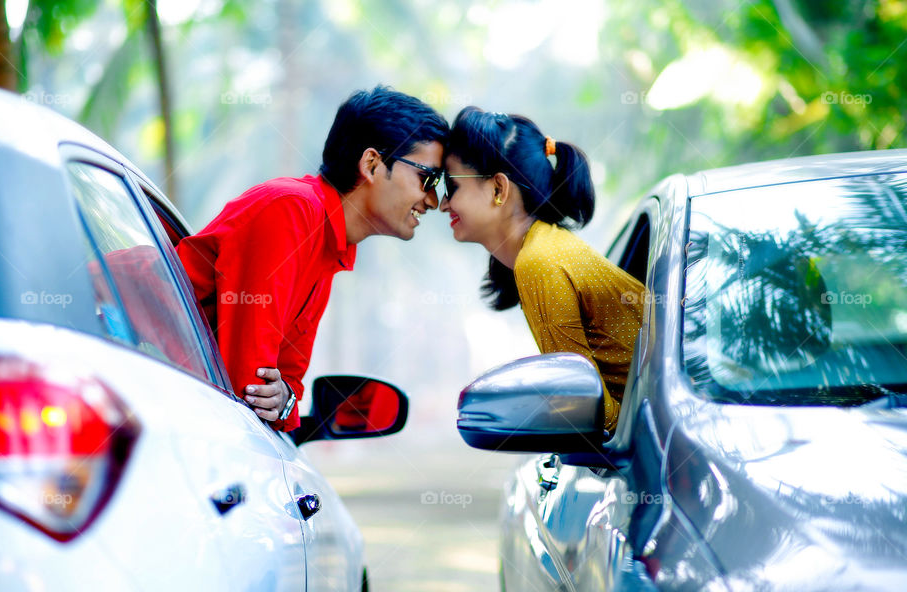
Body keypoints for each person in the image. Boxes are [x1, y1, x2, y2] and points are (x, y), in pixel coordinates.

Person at [177, 86, 448, 431]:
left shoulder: (331, 243)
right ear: (372, 164)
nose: (434, 200)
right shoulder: (291, 210)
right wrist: (279, 399)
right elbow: (249, 388)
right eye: (427, 179)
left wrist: (284, 398)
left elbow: (286, 383)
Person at [440, 107, 644, 433]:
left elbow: (589, 412)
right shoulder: (543, 249)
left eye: (451, 187)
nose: (443, 203)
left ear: (498, 189)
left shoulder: (539, 263)